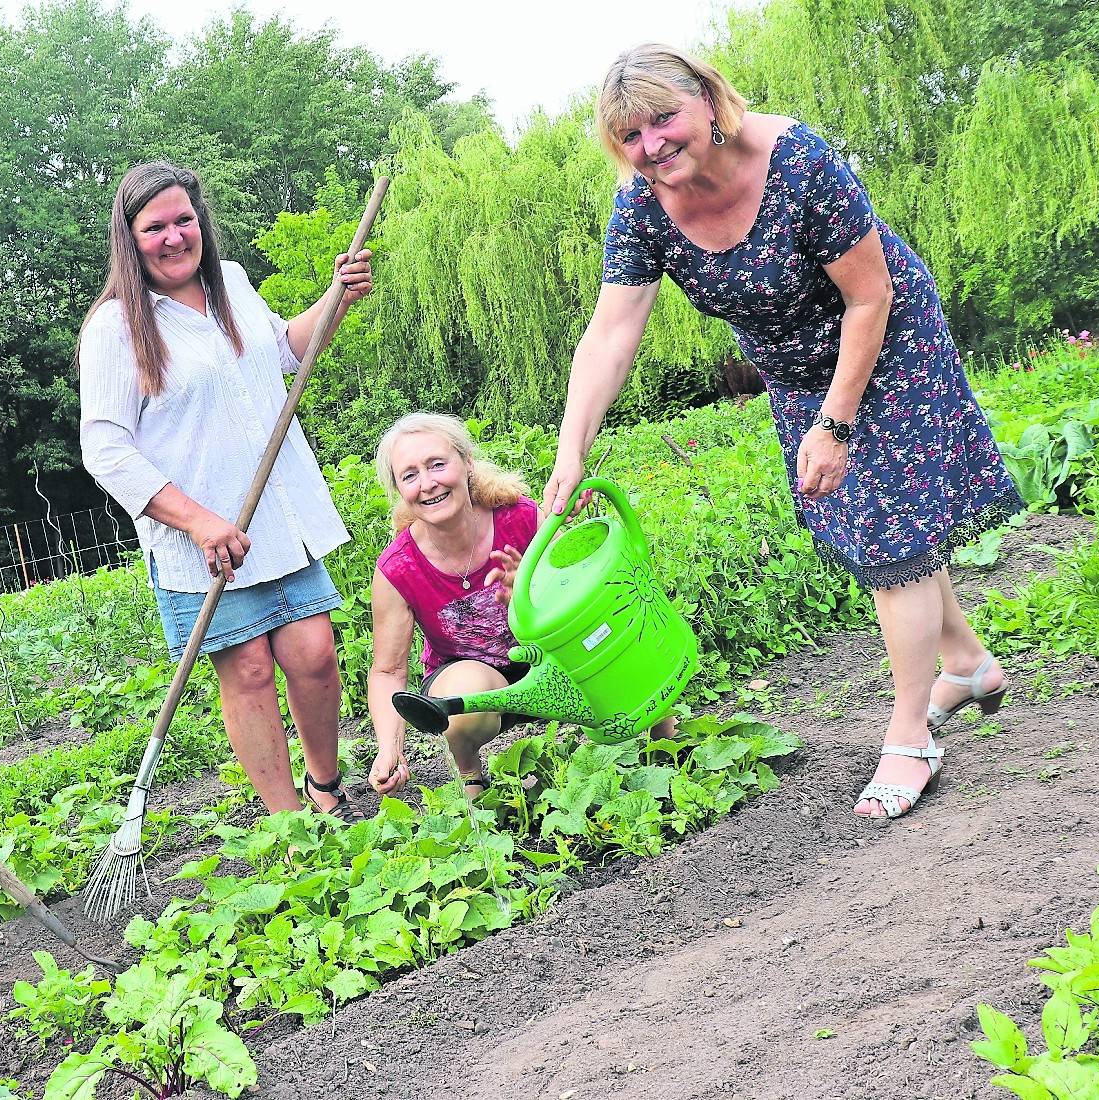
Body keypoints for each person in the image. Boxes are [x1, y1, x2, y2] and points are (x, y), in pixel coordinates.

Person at [543, 45, 1022, 822]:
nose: (652, 144)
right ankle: (965, 665)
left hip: (887, 336)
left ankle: (911, 737)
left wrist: (836, 425)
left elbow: (870, 295)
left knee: (886, 531)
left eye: (664, 118)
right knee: (875, 525)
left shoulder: (798, 161)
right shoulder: (640, 207)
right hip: (794, 369)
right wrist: (572, 449)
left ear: (706, 100)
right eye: (630, 134)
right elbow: (611, 331)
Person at [78, 161, 372, 819]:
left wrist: (336, 298)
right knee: (247, 674)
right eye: (156, 227)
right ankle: (286, 823)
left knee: (316, 655)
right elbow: (104, 447)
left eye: (184, 220)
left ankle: (326, 791)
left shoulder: (232, 283)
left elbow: (284, 354)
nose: (175, 236)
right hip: (202, 541)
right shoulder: (113, 329)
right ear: (130, 238)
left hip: (276, 511)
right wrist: (198, 521)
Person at [365, 414, 677, 799]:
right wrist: (389, 746)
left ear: (467, 464)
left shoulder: (523, 518)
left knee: (611, 633)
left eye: (437, 465)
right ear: (399, 490)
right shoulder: (399, 568)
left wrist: (536, 590)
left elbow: (590, 596)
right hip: (481, 685)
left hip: (554, 664)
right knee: (464, 697)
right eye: (409, 475)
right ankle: (470, 773)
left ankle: (664, 735)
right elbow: (387, 669)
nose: (427, 484)